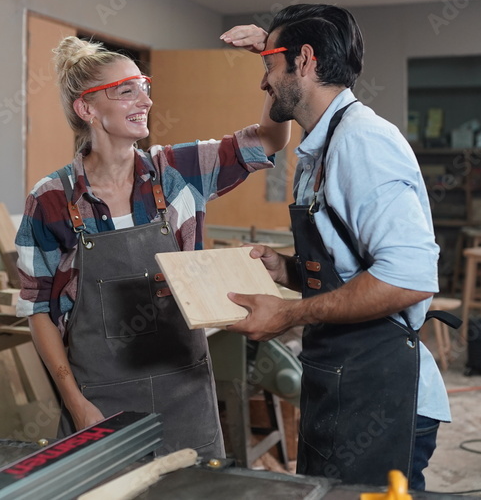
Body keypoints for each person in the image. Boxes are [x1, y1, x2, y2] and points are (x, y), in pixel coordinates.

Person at [15, 36, 289, 458]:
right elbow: (38, 313)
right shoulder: (51, 198)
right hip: (99, 402)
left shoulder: (178, 172)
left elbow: (270, 139)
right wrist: (77, 404)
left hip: (186, 396)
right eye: (126, 91)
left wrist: (272, 66)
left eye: (144, 86)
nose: (144, 99)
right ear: (86, 109)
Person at [220, 5, 450, 490]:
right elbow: (351, 267)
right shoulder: (319, 149)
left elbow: (407, 278)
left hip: (381, 395)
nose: (264, 84)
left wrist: (286, 314)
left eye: (268, 66)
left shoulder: (362, 142)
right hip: (343, 384)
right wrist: (288, 270)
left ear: (303, 61)